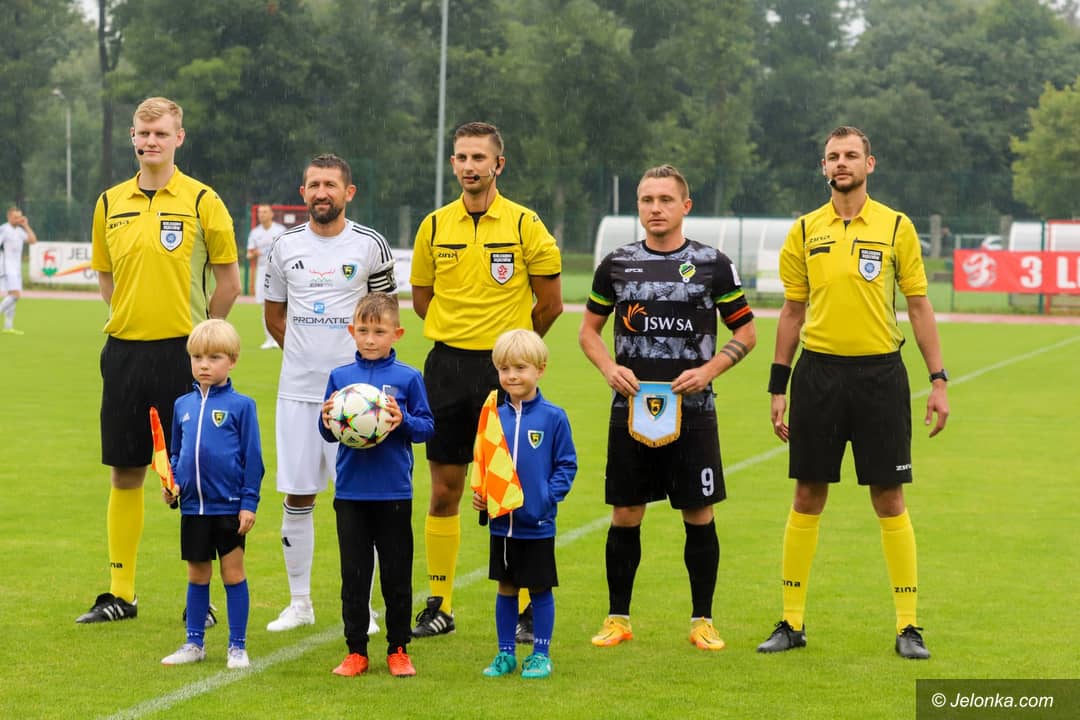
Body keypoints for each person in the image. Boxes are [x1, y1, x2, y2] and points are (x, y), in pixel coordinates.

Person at [756, 126, 949, 660]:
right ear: (823, 167)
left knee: (889, 497)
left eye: (850, 155)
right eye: (832, 157)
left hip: (880, 376)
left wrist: (938, 379)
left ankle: (908, 626)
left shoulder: (896, 226)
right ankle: (791, 622)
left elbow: (918, 306)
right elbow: (791, 311)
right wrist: (778, 386)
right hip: (817, 375)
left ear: (870, 163)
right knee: (807, 494)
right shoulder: (804, 229)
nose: (841, 163)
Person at [579, 164, 756, 651]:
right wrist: (608, 368)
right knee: (626, 511)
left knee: (698, 512)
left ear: (685, 206)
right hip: (631, 409)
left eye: (664, 200)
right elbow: (588, 332)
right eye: (646, 200)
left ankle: (703, 621)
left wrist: (709, 371)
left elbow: (746, 332)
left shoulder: (712, 264)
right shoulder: (616, 264)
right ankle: (618, 618)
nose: (655, 208)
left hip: (693, 411)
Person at [79, 96, 241, 624]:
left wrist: (203, 339)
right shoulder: (109, 202)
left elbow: (229, 282)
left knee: (193, 476)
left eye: (161, 134)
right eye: (143, 133)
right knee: (126, 471)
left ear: (179, 138)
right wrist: (130, 317)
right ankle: (120, 593)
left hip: (183, 356)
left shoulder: (203, 200)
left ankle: (202, 598)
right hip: (124, 353)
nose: (151, 141)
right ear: (133, 136)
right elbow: (106, 278)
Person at [408, 121, 563, 640]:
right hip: (446, 370)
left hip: (505, 374)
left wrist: (515, 353)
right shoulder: (434, 226)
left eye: (479, 157)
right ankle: (440, 604)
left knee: (515, 490)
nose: (469, 166)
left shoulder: (525, 224)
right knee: (444, 490)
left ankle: (526, 606)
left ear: (499, 164)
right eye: (461, 157)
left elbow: (550, 304)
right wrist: (459, 333)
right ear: (452, 163)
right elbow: (423, 299)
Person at [264, 153, 396, 633]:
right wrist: (307, 359)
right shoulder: (283, 247)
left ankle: (366, 608)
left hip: (359, 398)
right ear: (303, 193)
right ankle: (299, 603)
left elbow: (384, 317)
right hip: (298, 394)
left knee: (362, 500)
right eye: (314, 184)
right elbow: (274, 317)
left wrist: (353, 374)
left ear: (348, 193)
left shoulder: (370, 245)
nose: (322, 192)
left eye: (331, 185)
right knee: (298, 495)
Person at [318, 292, 434, 677]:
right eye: (364, 331)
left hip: (393, 494)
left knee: (396, 576)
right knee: (353, 576)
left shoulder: (408, 378)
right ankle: (356, 651)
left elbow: (426, 428)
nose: (370, 339)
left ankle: (398, 649)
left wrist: (404, 421)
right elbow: (328, 432)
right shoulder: (340, 378)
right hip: (351, 494)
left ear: (396, 334)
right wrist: (326, 418)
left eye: (379, 332)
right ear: (352, 331)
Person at [472, 329, 576, 680]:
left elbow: (567, 464)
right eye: (504, 369)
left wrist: (547, 497)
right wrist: (482, 495)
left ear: (540, 370)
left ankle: (540, 654)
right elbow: (485, 464)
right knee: (506, 587)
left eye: (520, 368)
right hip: (503, 524)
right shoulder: (493, 417)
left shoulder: (553, 417)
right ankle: (505, 654)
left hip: (537, 524)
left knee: (540, 589)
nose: (511, 376)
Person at [159, 319, 264, 669]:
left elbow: (253, 460)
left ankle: (237, 646)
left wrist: (248, 503)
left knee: (233, 575)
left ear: (232, 360)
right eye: (198, 357)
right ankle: (194, 643)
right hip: (193, 509)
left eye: (214, 357)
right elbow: (176, 455)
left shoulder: (242, 406)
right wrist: (172, 486)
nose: (204, 365)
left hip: (229, 508)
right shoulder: (182, 405)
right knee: (197, 576)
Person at [246, 204, 286, 349]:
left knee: (283, 306)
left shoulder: (280, 230)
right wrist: (254, 254)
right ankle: (269, 339)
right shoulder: (255, 233)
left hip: (280, 271)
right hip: (263, 271)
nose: (261, 214)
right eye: (260, 212)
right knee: (265, 306)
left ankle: (283, 337)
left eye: (265, 212)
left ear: (271, 214)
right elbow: (249, 254)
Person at [0, 206, 38, 334]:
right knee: (15, 295)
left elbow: (33, 240)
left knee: (12, 296)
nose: (18, 219)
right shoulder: (4, 229)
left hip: (16, 268)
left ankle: (8, 326)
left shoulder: (20, 231)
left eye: (20, 217)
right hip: (6, 267)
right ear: (9, 217)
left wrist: (26, 225)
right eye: (15, 217)